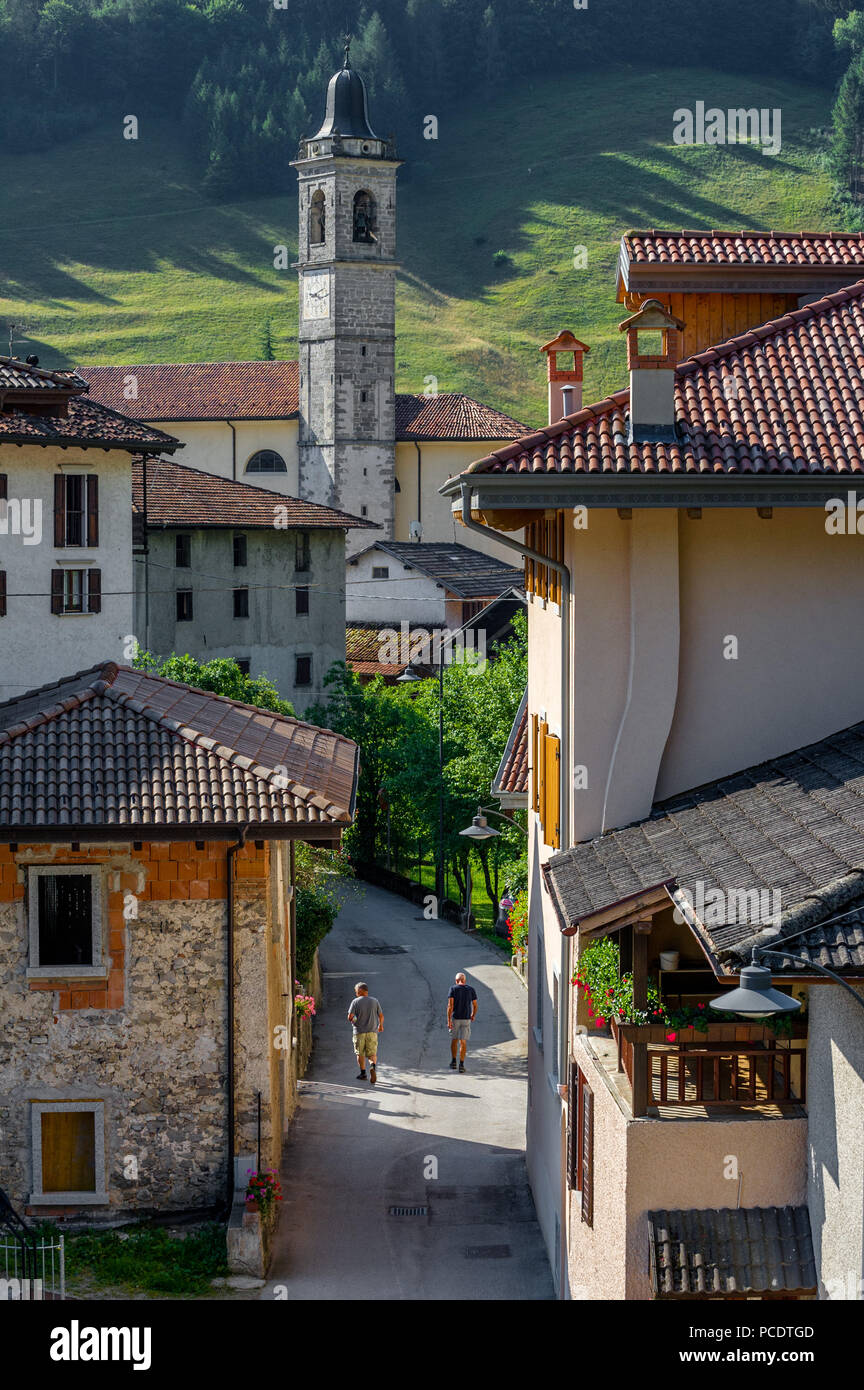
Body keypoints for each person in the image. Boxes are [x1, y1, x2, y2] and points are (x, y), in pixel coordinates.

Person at [347, 982, 383, 1084]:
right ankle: (372, 1066)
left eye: (356, 991)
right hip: (372, 1031)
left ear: (359, 991)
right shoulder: (375, 1001)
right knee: (372, 1053)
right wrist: (380, 1025)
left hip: (359, 1032)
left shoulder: (355, 1002)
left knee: (360, 1053)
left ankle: (363, 1073)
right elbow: (381, 1016)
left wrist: (356, 1020)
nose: (355, 993)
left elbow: (350, 1017)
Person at [447, 971, 477, 1073]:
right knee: (463, 1042)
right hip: (466, 1019)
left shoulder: (453, 989)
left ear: (456, 981)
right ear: (465, 980)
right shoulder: (471, 989)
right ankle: (462, 1065)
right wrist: (473, 1015)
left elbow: (450, 1006)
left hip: (456, 1018)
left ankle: (454, 1061)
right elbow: (475, 1005)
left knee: (454, 1040)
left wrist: (449, 1020)